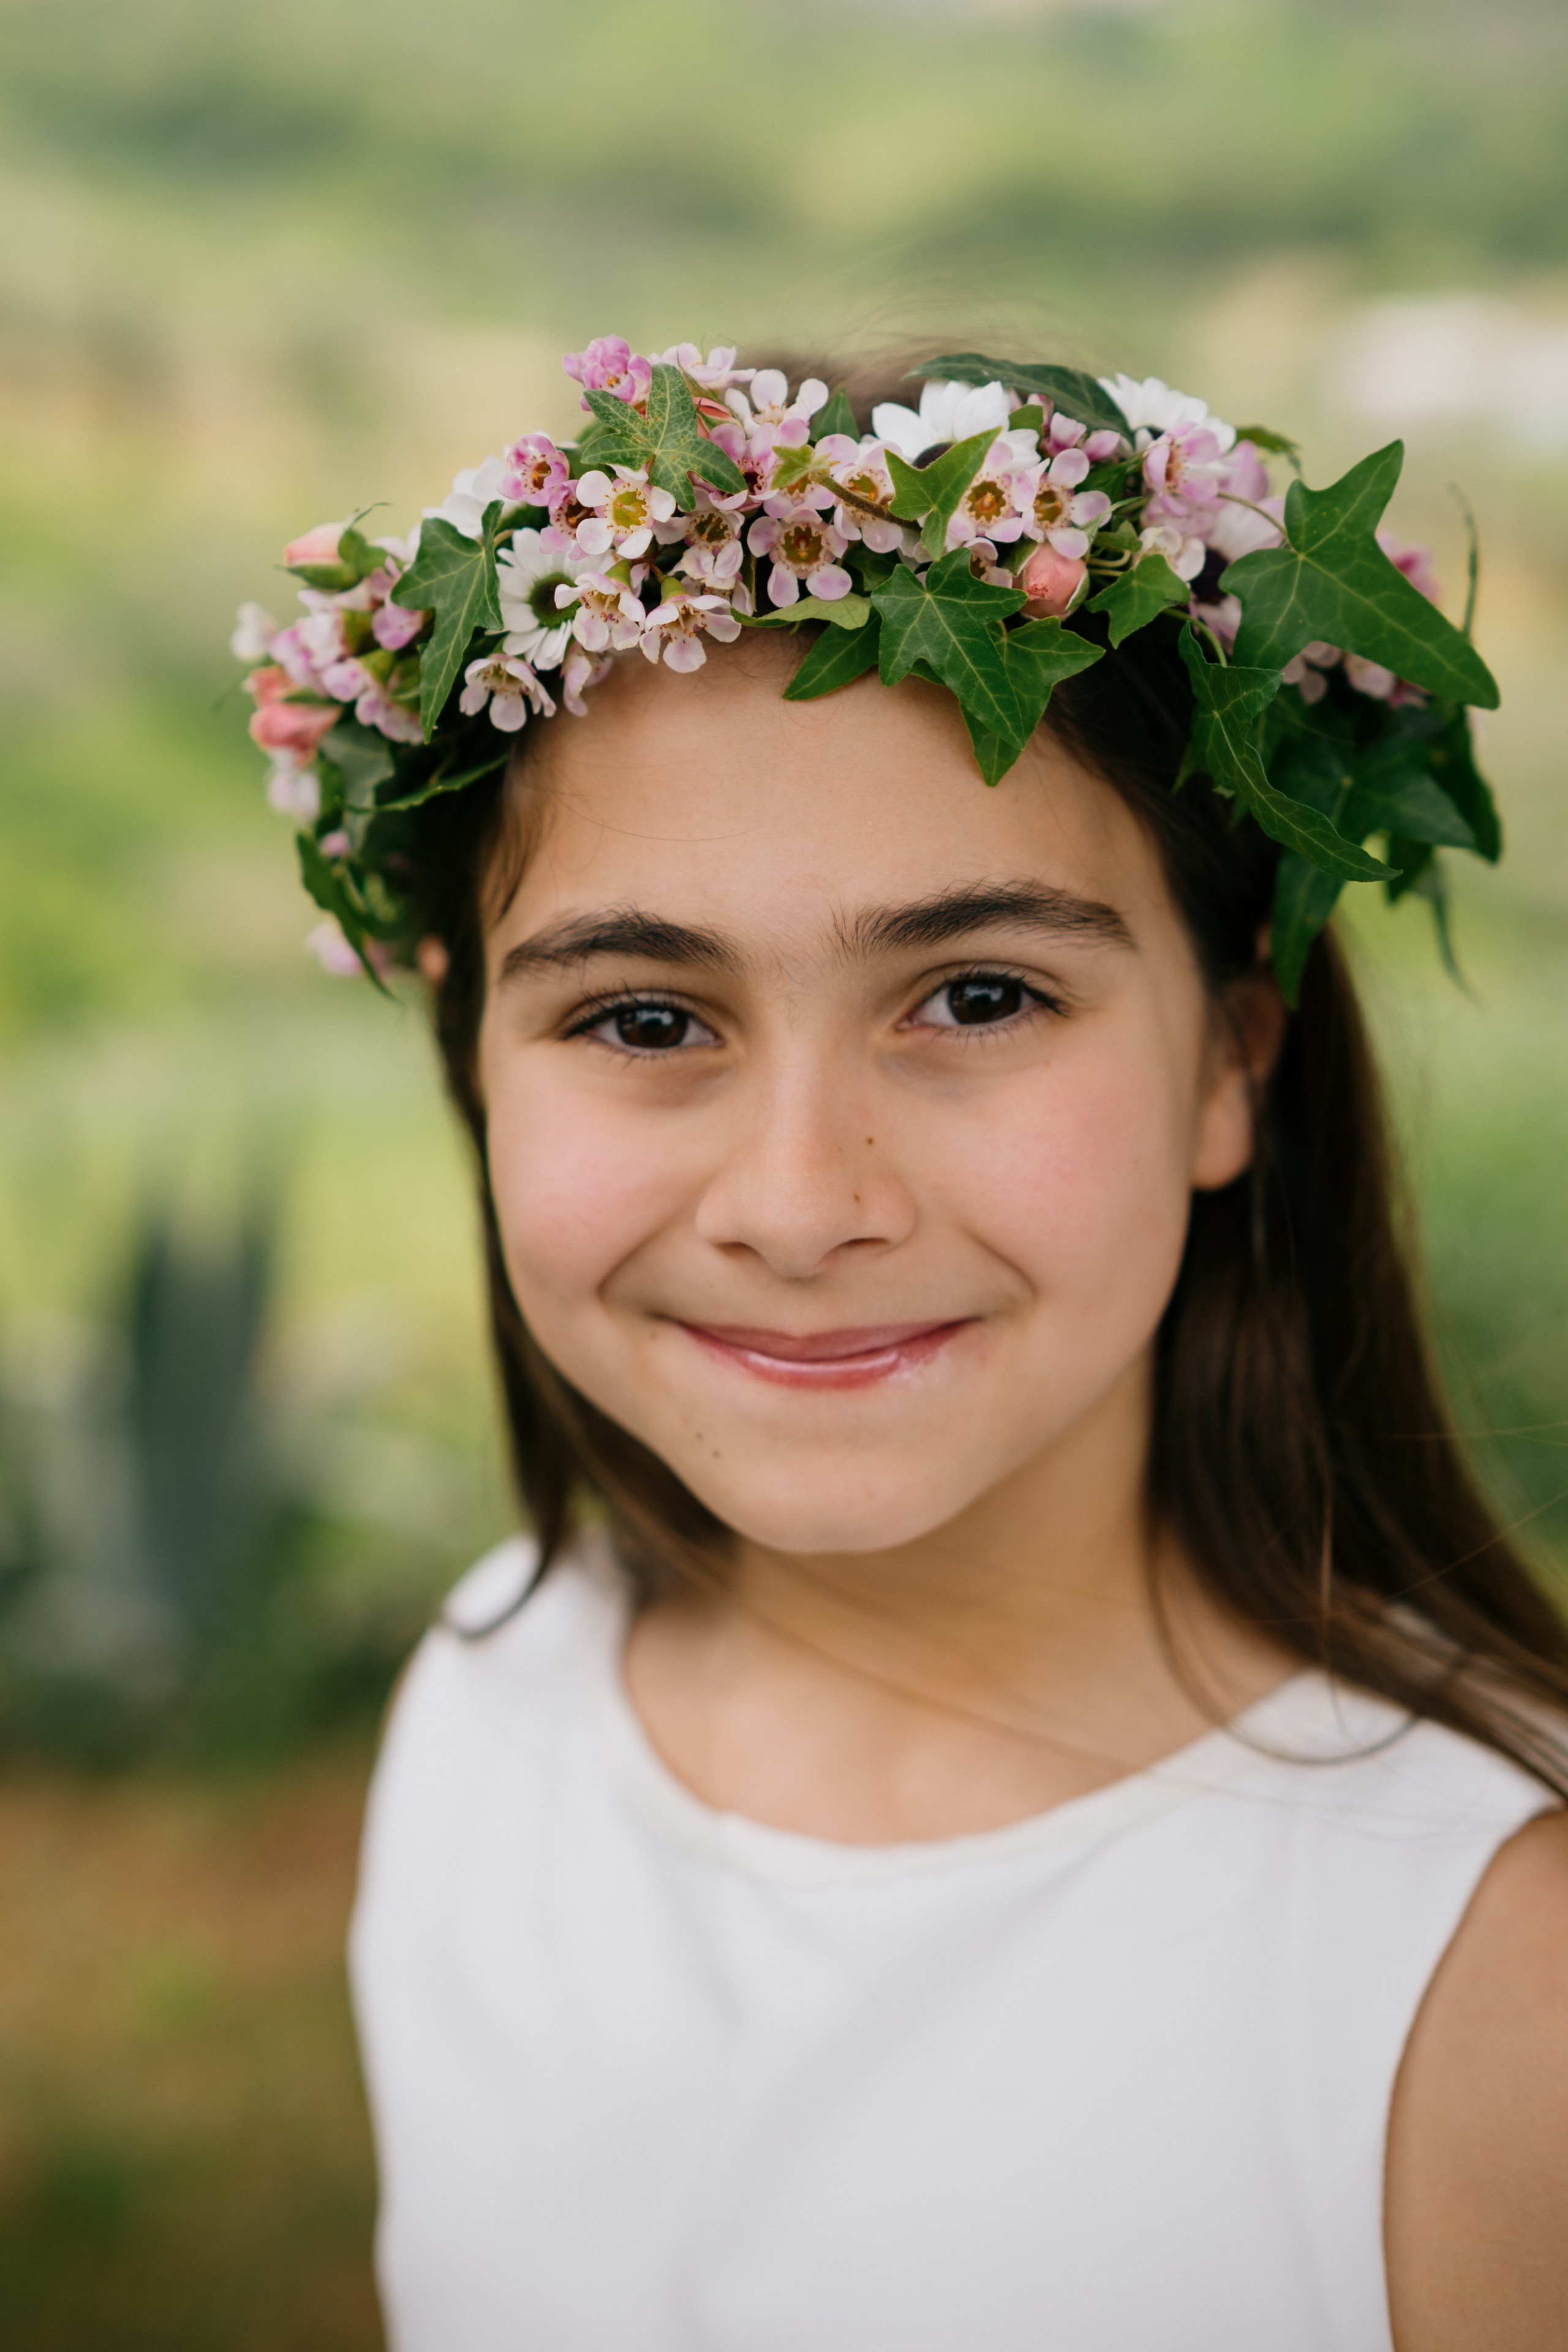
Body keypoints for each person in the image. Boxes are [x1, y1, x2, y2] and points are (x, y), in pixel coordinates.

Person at [238, 344, 1568, 2348]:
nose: (799, 1200)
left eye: (975, 996)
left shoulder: (1497, 1984)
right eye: (642, 1019)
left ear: (1231, 1060)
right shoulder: (503, 1692)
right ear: (477, 1076)